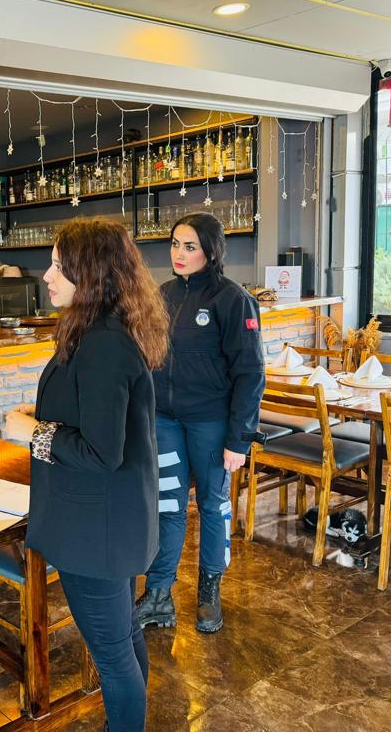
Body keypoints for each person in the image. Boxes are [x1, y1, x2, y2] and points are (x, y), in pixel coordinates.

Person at [5, 219, 169, 732]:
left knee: (113, 656)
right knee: (123, 639)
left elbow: (101, 453)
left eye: (59, 265)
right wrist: (41, 418)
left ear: (91, 272)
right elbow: (94, 419)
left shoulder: (103, 343)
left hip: (97, 531)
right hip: (105, 522)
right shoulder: (97, 331)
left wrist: (33, 433)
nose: (46, 275)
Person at [133, 212, 265, 634]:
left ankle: (209, 592)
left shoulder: (233, 299)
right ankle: (158, 594)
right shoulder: (163, 294)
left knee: (212, 504)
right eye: (175, 244)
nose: (179, 253)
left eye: (189, 246)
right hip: (165, 421)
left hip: (211, 423)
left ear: (210, 251)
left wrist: (239, 440)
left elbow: (251, 373)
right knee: (168, 506)